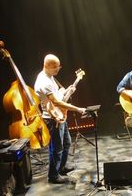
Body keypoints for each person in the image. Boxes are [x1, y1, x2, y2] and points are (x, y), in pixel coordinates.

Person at [34, 54, 86, 184]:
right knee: (56, 148)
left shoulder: (51, 77)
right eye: (55, 67)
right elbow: (56, 102)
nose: (58, 69)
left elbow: (59, 96)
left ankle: (61, 168)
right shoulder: (44, 81)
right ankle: (53, 175)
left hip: (60, 116)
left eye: (59, 67)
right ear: (46, 66)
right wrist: (78, 109)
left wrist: (67, 91)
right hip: (52, 119)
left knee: (66, 143)